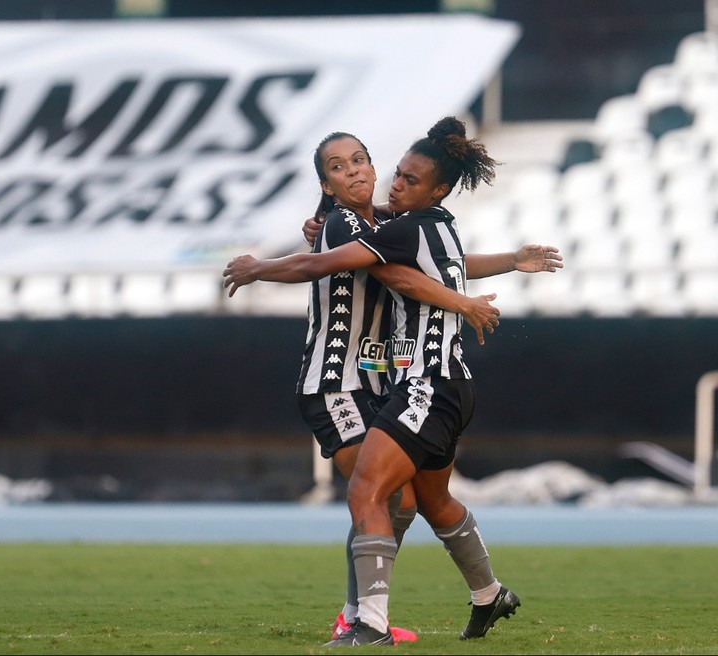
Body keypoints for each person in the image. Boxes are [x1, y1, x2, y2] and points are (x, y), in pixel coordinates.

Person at [225, 117, 556, 646]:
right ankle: (368, 614)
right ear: (326, 185)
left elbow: (429, 264)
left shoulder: (391, 225)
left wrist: (508, 263)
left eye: (359, 160)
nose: (354, 171)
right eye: (338, 167)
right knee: (388, 496)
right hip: (338, 381)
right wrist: (259, 266)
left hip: (396, 382)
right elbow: (387, 272)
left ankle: (370, 617)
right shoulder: (351, 225)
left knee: (390, 496)